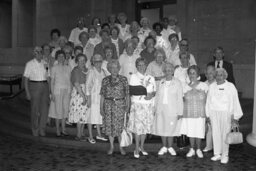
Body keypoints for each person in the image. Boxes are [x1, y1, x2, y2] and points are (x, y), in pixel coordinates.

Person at [206, 68, 243, 164]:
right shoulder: (212, 86)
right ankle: (217, 153)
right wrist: (208, 115)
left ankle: (225, 155)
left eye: (221, 75)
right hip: (214, 113)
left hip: (226, 114)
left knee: (225, 134)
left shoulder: (230, 86)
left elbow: (235, 101)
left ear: (225, 76)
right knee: (216, 133)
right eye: (217, 75)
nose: (219, 77)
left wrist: (235, 117)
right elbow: (208, 102)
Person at [152, 62, 183, 156]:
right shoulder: (161, 82)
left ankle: (170, 147)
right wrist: (154, 109)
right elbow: (157, 96)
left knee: (171, 129)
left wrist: (180, 112)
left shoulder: (177, 82)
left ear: (173, 71)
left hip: (172, 109)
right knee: (162, 128)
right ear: (164, 71)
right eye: (166, 70)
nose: (168, 71)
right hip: (161, 109)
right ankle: (164, 146)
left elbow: (180, 98)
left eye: (170, 70)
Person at [127, 57, 156, 159]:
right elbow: (133, 91)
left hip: (148, 105)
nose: (141, 67)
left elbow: (154, 91)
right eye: (139, 65)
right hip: (137, 105)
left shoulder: (151, 78)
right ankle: (136, 148)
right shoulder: (133, 77)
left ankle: (142, 147)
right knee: (137, 129)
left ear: (146, 65)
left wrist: (151, 96)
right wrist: (145, 92)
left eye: (143, 64)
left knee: (144, 129)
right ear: (136, 66)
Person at [100, 59, 130, 155]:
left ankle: (121, 147)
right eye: (112, 67)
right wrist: (101, 108)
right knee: (109, 127)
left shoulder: (124, 79)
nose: (114, 69)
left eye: (116, 67)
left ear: (119, 68)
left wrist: (128, 106)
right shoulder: (105, 80)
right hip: (108, 105)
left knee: (120, 127)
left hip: (120, 105)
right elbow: (102, 95)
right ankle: (112, 146)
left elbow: (127, 95)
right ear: (109, 69)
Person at [180, 65, 208, 158]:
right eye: (190, 73)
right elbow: (182, 100)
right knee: (191, 132)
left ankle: (199, 149)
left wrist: (208, 114)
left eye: (194, 73)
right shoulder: (184, 87)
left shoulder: (204, 85)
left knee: (199, 131)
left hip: (200, 113)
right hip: (189, 113)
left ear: (198, 74)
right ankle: (192, 149)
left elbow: (208, 100)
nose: (192, 75)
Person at [23, 46, 50, 137]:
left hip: (45, 86)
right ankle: (35, 129)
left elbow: (48, 77)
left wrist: (49, 90)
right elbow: (26, 79)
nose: (39, 53)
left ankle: (42, 129)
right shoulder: (29, 64)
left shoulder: (45, 63)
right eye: (37, 52)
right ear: (34, 53)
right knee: (35, 110)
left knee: (44, 110)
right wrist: (27, 92)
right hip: (34, 86)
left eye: (40, 52)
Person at [48, 50, 71, 136]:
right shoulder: (54, 68)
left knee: (65, 110)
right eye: (59, 56)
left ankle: (64, 129)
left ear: (65, 57)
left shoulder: (68, 67)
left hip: (67, 90)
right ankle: (58, 130)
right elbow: (52, 81)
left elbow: (70, 81)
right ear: (57, 58)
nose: (61, 58)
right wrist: (52, 93)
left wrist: (70, 91)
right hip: (57, 91)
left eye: (62, 56)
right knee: (58, 111)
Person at [85, 54, 108, 144]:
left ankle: (99, 134)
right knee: (91, 117)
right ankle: (90, 136)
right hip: (93, 97)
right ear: (93, 62)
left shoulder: (103, 71)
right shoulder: (91, 71)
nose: (98, 63)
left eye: (100, 61)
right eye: (96, 61)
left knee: (99, 116)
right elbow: (87, 85)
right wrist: (88, 98)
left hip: (101, 98)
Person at [68, 54, 89, 141]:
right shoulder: (76, 70)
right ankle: (78, 135)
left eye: (84, 60)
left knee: (84, 114)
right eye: (80, 60)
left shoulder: (86, 70)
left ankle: (82, 133)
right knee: (79, 114)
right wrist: (83, 96)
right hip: (79, 93)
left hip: (84, 91)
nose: (82, 62)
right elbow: (76, 84)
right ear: (77, 61)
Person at [203, 65, 216, 152]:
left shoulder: (218, 83)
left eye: (211, 73)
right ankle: (208, 146)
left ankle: (218, 147)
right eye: (207, 73)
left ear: (214, 73)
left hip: (217, 109)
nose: (209, 75)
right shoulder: (204, 84)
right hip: (207, 109)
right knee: (208, 128)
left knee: (217, 129)